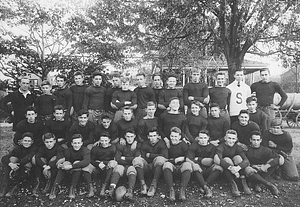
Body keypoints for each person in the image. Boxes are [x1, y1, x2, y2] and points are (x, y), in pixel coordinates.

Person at [49, 134, 94, 199]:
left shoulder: (85, 150)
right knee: (64, 164)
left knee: (77, 163)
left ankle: (73, 188)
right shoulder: (68, 151)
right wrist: (60, 164)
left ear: (81, 143)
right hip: (71, 172)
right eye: (75, 143)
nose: (76, 145)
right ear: (72, 143)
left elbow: (86, 161)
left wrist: (71, 166)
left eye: (78, 143)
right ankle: (55, 187)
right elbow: (65, 159)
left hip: (81, 171)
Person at [214, 130, 251, 197]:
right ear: (225, 138)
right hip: (226, 170)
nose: (231, 141)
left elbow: (246, 160)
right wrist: (231, 168)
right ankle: (233, 184)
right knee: (226, 159)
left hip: (237, 170)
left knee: (238, 158)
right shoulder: (220, 147)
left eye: (233, 139)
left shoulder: (237, 147)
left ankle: (243, 183)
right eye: (229, 138)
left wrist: (237, 168)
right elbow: (219, 159)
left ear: (236, 139)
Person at [187, 130, 223, 198]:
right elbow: (188, 158)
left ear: (208, 138)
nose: (202, 140)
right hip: (199, 169)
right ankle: (206, 188)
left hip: (208, 168)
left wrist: (199, 159)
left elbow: (211, 161)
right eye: (201, 138)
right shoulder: (194, 145)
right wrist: (195, 163)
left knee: (219, 168)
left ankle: (205, 184)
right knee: (195, 168)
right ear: (198, 138)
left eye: (204, 138)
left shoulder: (212, 147)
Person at [133, 127, 168, 197]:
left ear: (158, 136)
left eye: (154, 136)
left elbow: (165, 156)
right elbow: (143, 156)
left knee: (160, 159)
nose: (153, 138)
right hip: (147, 166)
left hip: (157, 167)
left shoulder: (162, 143)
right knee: (137, 160)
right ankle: (143, 184)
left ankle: (153, 185)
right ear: (148, 137)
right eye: (151, 136)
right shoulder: (145, 143)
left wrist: (151, 155)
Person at [0, 132, 37, 197]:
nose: (27, 142)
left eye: (29, 141)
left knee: (26, 165)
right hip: (17, 166)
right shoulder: (18, 149)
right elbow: (4, 158)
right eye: (25, 140)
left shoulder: (34, 149)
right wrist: (11, 164)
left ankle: (15, 187)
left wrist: (18, 165)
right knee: (11, 160)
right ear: (22, 141)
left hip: (29, 169)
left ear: (32, 142)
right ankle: (5, 187)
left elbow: (27, 158)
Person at [109, 128, 141, 200]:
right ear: (125, 137)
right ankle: (111, 189)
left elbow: (136, 159)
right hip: (122, 167)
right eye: (128, 137)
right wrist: (129, 159)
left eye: (131, 137)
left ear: (135, 136)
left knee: (131, 168)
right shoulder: (121, 145)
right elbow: (118, 159)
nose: (130, 139)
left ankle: (130, 191)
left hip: (132, 169)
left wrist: (125, 158)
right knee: (118, 167)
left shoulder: (137, 145)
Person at [244, 131, 279, 195]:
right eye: (254, 140)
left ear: (261, 140)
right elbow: (243, 160)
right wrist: (253, 166)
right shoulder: (246, 149)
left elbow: (277, 158)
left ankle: (257, 183)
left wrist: (266, 166)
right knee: (247, 170)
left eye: (258, 140)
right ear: (250, 140)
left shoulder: (265, 150)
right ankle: (269, 185)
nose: (256, 142)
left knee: (274, 164)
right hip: (251, 170)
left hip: (262, 169)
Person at [162, 127, 192, 201]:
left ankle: (182, 190)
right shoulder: (168, 144)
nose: (173, 138)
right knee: (166, 165)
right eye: (172, 136)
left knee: (188, 164)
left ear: (179, 137)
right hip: (172, 168)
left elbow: (187, 156)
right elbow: (165, 158)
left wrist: (183, 159)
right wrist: (175, 160)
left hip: (182, 169)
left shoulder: (183, 145)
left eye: (176, 136)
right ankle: (171, 190)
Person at [90, 132, 117, 197]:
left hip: (107, 167)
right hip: (97, 167)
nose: (104, 142)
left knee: (112, 164)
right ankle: (93, 186)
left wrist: (103, 162)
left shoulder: (112, 147)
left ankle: (104, 187)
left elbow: (113, 160)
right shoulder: (95, 148)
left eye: (106, 140)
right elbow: (91, 160)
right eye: (102, 140)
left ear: (109, 140)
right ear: (99, 140)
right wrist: (98, 164)